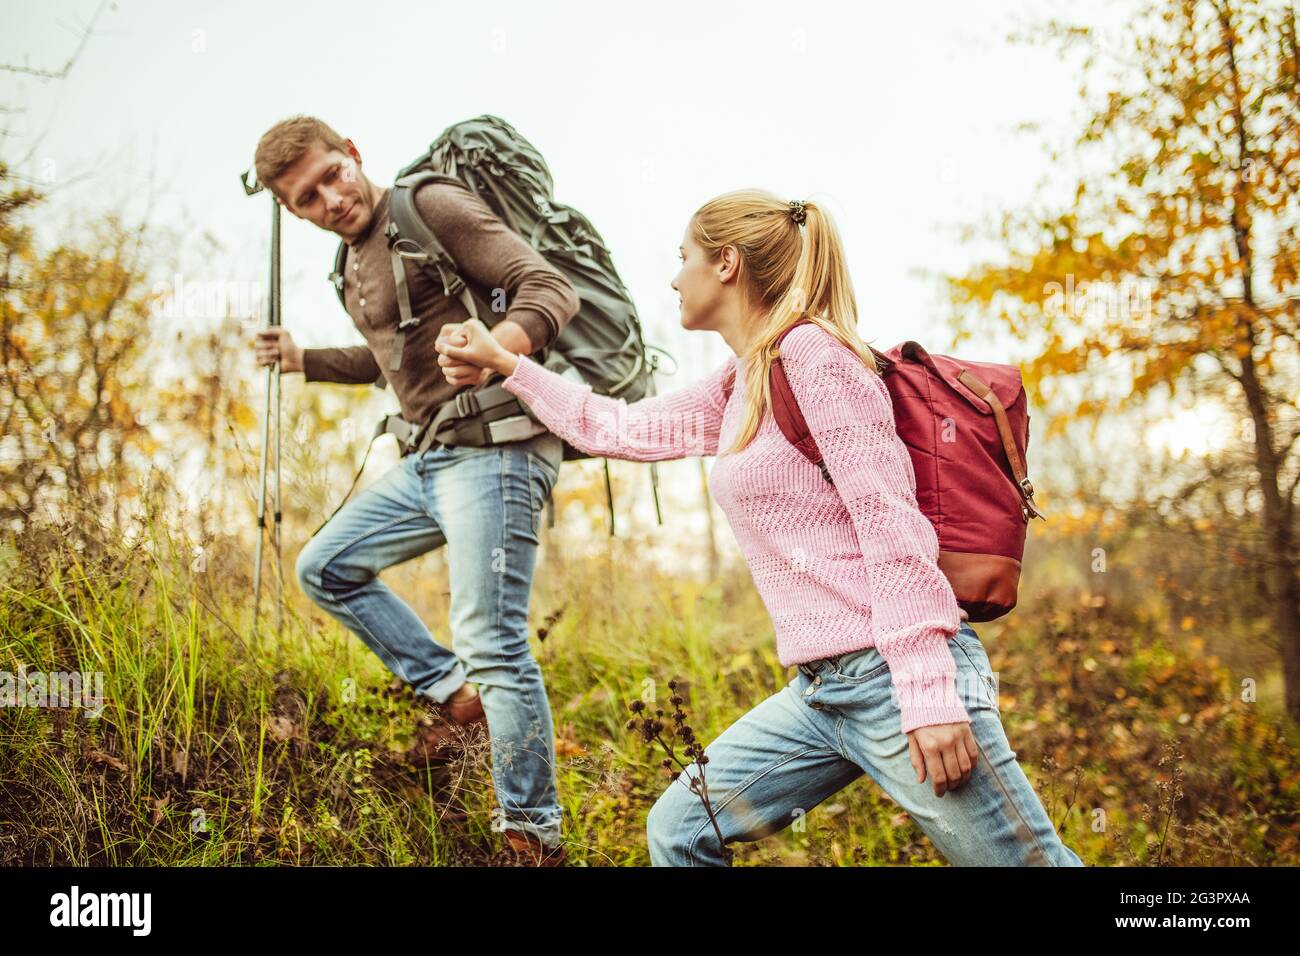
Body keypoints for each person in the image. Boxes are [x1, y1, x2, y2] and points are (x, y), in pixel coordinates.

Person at [434, 189, 1086, 867]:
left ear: (726, 264)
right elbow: (617, 427)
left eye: (682, 257)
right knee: (682, 829)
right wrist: (508, 365)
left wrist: (927, 694)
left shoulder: (814, 357)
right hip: (820, 695)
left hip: (895, 679)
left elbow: (891, 524)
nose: (673, 276)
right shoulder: (742, 383)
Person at [250, 115, 579, 865]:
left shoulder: (429, 206)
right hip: (430, 458)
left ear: (354, 154)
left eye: (333, 174)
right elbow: (385, 362)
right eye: (307, 198)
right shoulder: (348, 266)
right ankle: (457, 697)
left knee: (494, 643)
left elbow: (549, 289)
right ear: (292, 211)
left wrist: (501, 346)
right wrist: (304, 358)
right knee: (324, 567)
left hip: (498, 450)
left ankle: (534, 839)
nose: (331, 198)